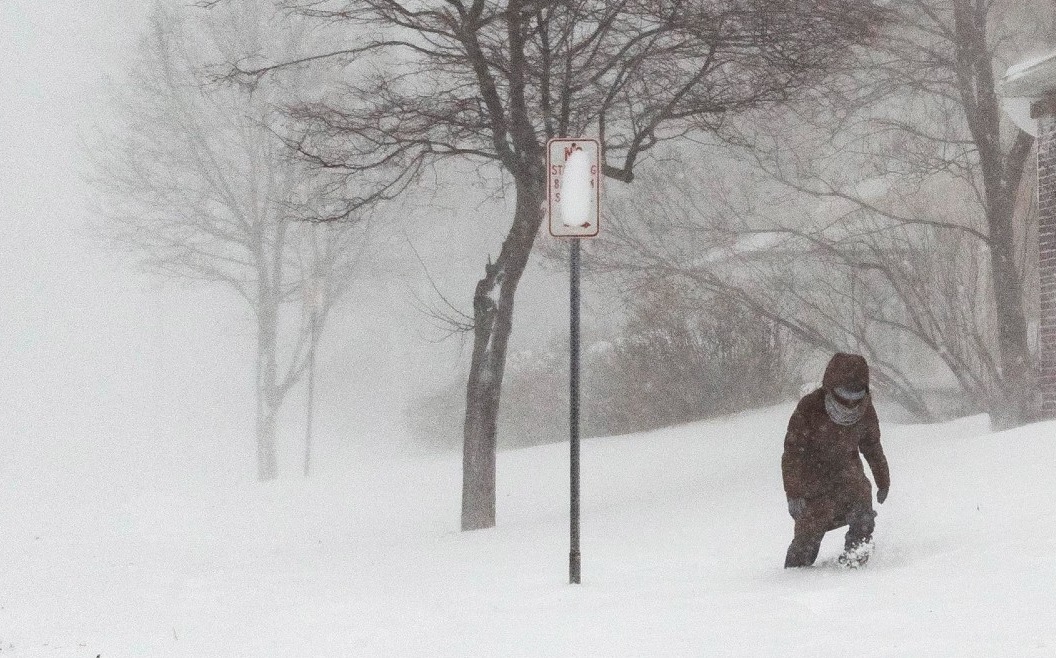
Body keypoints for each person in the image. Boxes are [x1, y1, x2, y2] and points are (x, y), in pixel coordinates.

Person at [782, 353, 890, 568]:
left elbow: (872, 446)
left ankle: (856, 563)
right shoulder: (810, 407)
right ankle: (794, 579)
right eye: (843, 394)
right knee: (808, 538)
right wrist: (793, 493)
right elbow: (792, 454)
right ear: (830, 387)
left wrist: (882, 480)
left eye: (856, 395)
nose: (850, 402)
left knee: (863, 518)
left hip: (849, 477)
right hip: (813, 483)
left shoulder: (865, 409)